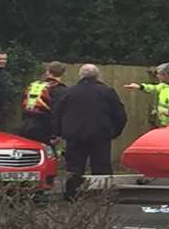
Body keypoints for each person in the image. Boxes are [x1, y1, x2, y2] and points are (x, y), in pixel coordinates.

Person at [53, 63, 127, 199]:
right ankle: (102, 196)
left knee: (74, 167)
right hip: (100, 135)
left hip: (74, 135)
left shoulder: (69, 92)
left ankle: (72, 196)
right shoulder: (107, 92)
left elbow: (57, 114)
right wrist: (115, 132)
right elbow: (120, 115)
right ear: (97, 76)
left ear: (80, 75)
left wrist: (58, 132)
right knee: (101, 166)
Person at [20, 61, 68, 144]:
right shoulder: (59, 89)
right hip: (44, 126)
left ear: (47, 72)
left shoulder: (34, 85)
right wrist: (55, 134)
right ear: (63, 73)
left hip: (26, 124)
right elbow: (56, 113)